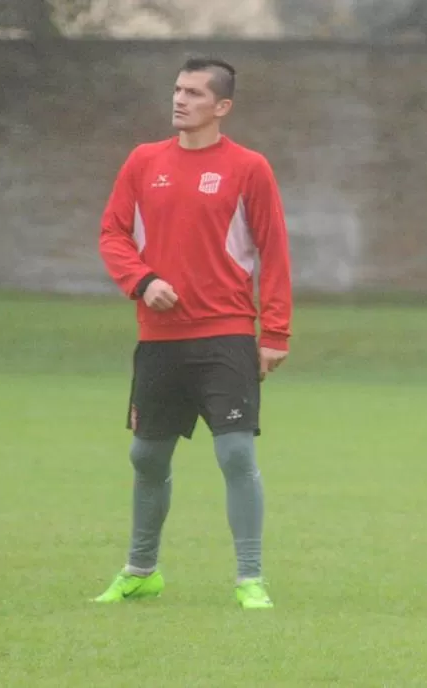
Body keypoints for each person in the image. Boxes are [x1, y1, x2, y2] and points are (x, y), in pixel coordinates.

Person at [94, 56, 292, 610]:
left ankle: (250, 579)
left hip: (226, 335)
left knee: (234, 455)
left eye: (195, 93)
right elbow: (112, 233)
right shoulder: (142, 161)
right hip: (158, 338)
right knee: (146, 458)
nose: (180, 100)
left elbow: (274, 250)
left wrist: (275, 331)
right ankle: (140, 571)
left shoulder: (249, 167)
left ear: (222, 106)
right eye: (177, 90)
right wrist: (142, 281)